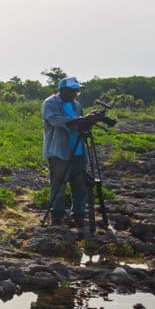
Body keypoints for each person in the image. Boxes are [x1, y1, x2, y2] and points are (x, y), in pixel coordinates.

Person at [42, 76, 102, 227]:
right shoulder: (50, 103)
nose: (75, 94)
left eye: (77, 91)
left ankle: (79, 216)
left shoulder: (76, 105)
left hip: (79, 151)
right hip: (59, 152)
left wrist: (90, 121)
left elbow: (81, 127)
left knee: (80, 187)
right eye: (73, 91)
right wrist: (83, 119)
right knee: (59, 187)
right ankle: (57, 217)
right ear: (62, 90)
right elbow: (56, 120)